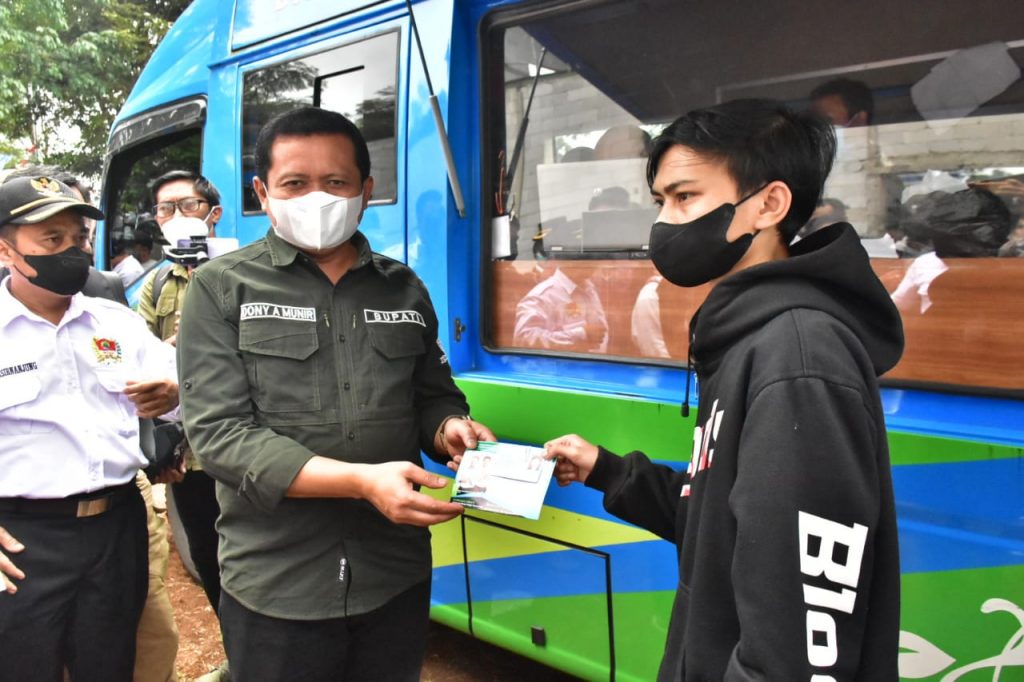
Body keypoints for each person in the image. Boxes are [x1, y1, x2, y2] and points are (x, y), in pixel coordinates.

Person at [546, 99, 903, 680]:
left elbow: (798, 632)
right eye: (660, 201)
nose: (664, 223)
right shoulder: (746, 335)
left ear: (769, 204)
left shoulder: (798, 360)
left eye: (685, 197)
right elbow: (723, 525)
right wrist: (609, 472)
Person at [176, 106, 495, 680]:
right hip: (277, 583)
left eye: (336, 182)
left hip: (393, 572)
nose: (317, 197)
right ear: (263, 192)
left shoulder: (404, 288)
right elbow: (219, 436)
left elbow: (432, 394)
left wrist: (450, 428)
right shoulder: (221, 288)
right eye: (295, 183)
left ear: (366, 190)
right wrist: (362, 482)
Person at [0, 175, 180, 680]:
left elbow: (176, 402)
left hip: (117, 527)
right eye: (51, 240)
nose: (72, 251)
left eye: (78, 238)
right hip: (25, 536)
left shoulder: (114, 322)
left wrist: (173, 393)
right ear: (5, 249)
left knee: (111, 664)